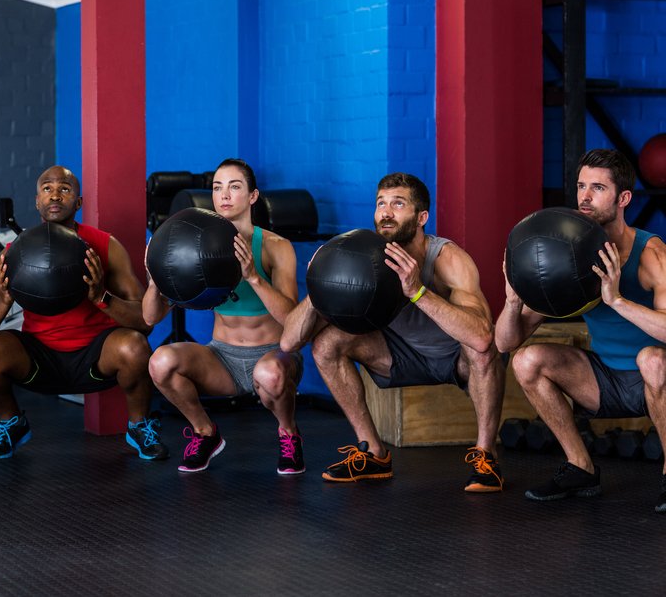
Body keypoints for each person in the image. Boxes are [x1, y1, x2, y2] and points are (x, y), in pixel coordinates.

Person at [281, 172, 504, 492]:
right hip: (397, 356)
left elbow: (482, 336)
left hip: (454, 358)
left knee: (484, 350)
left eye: (398, 204)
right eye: (381, 204)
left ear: (421, 217)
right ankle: (373, 452)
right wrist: (320, 284)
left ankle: (486, 457)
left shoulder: (446, 259)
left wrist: (417, 292)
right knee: (326, 343)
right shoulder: (362, 258)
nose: (385, 212)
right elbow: (288, 342)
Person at [496, 148, 666, 512]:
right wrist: (513, 301)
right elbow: (504, 343)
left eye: (598, 188)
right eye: (580, 186)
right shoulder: (567, 254)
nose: (585, 198)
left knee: (652, 359)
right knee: (527, 361)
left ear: (623, 198)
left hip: (658, 377)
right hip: (605, 380)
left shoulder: (651, 254)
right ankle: (580, 467)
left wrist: (618, 300)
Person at [0, 165, 168, 461]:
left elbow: (145, 322)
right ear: (37, 201)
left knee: (135, 346)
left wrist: (102, 297)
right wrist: (4, 300)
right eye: (47, 188)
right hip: (38, 360)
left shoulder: (105, 245)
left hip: (95, 356)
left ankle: (139, 426)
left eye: (65, 189)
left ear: (79, 202)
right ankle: (11, 423)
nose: (55, 195)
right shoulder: (12, 253)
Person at [142, 159, 304, 474]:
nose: (224, 195)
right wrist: (154, 280)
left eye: (234, 186)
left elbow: (293, 321)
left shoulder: (275, 246)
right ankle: (205, 432)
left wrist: (254, 277)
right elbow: (150, 317)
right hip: (223, 358)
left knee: (270, 374)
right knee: (160, 362)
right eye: (217, 187)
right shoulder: (197, 245)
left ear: (253, 196)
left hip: (273, 356)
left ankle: (288, 432)